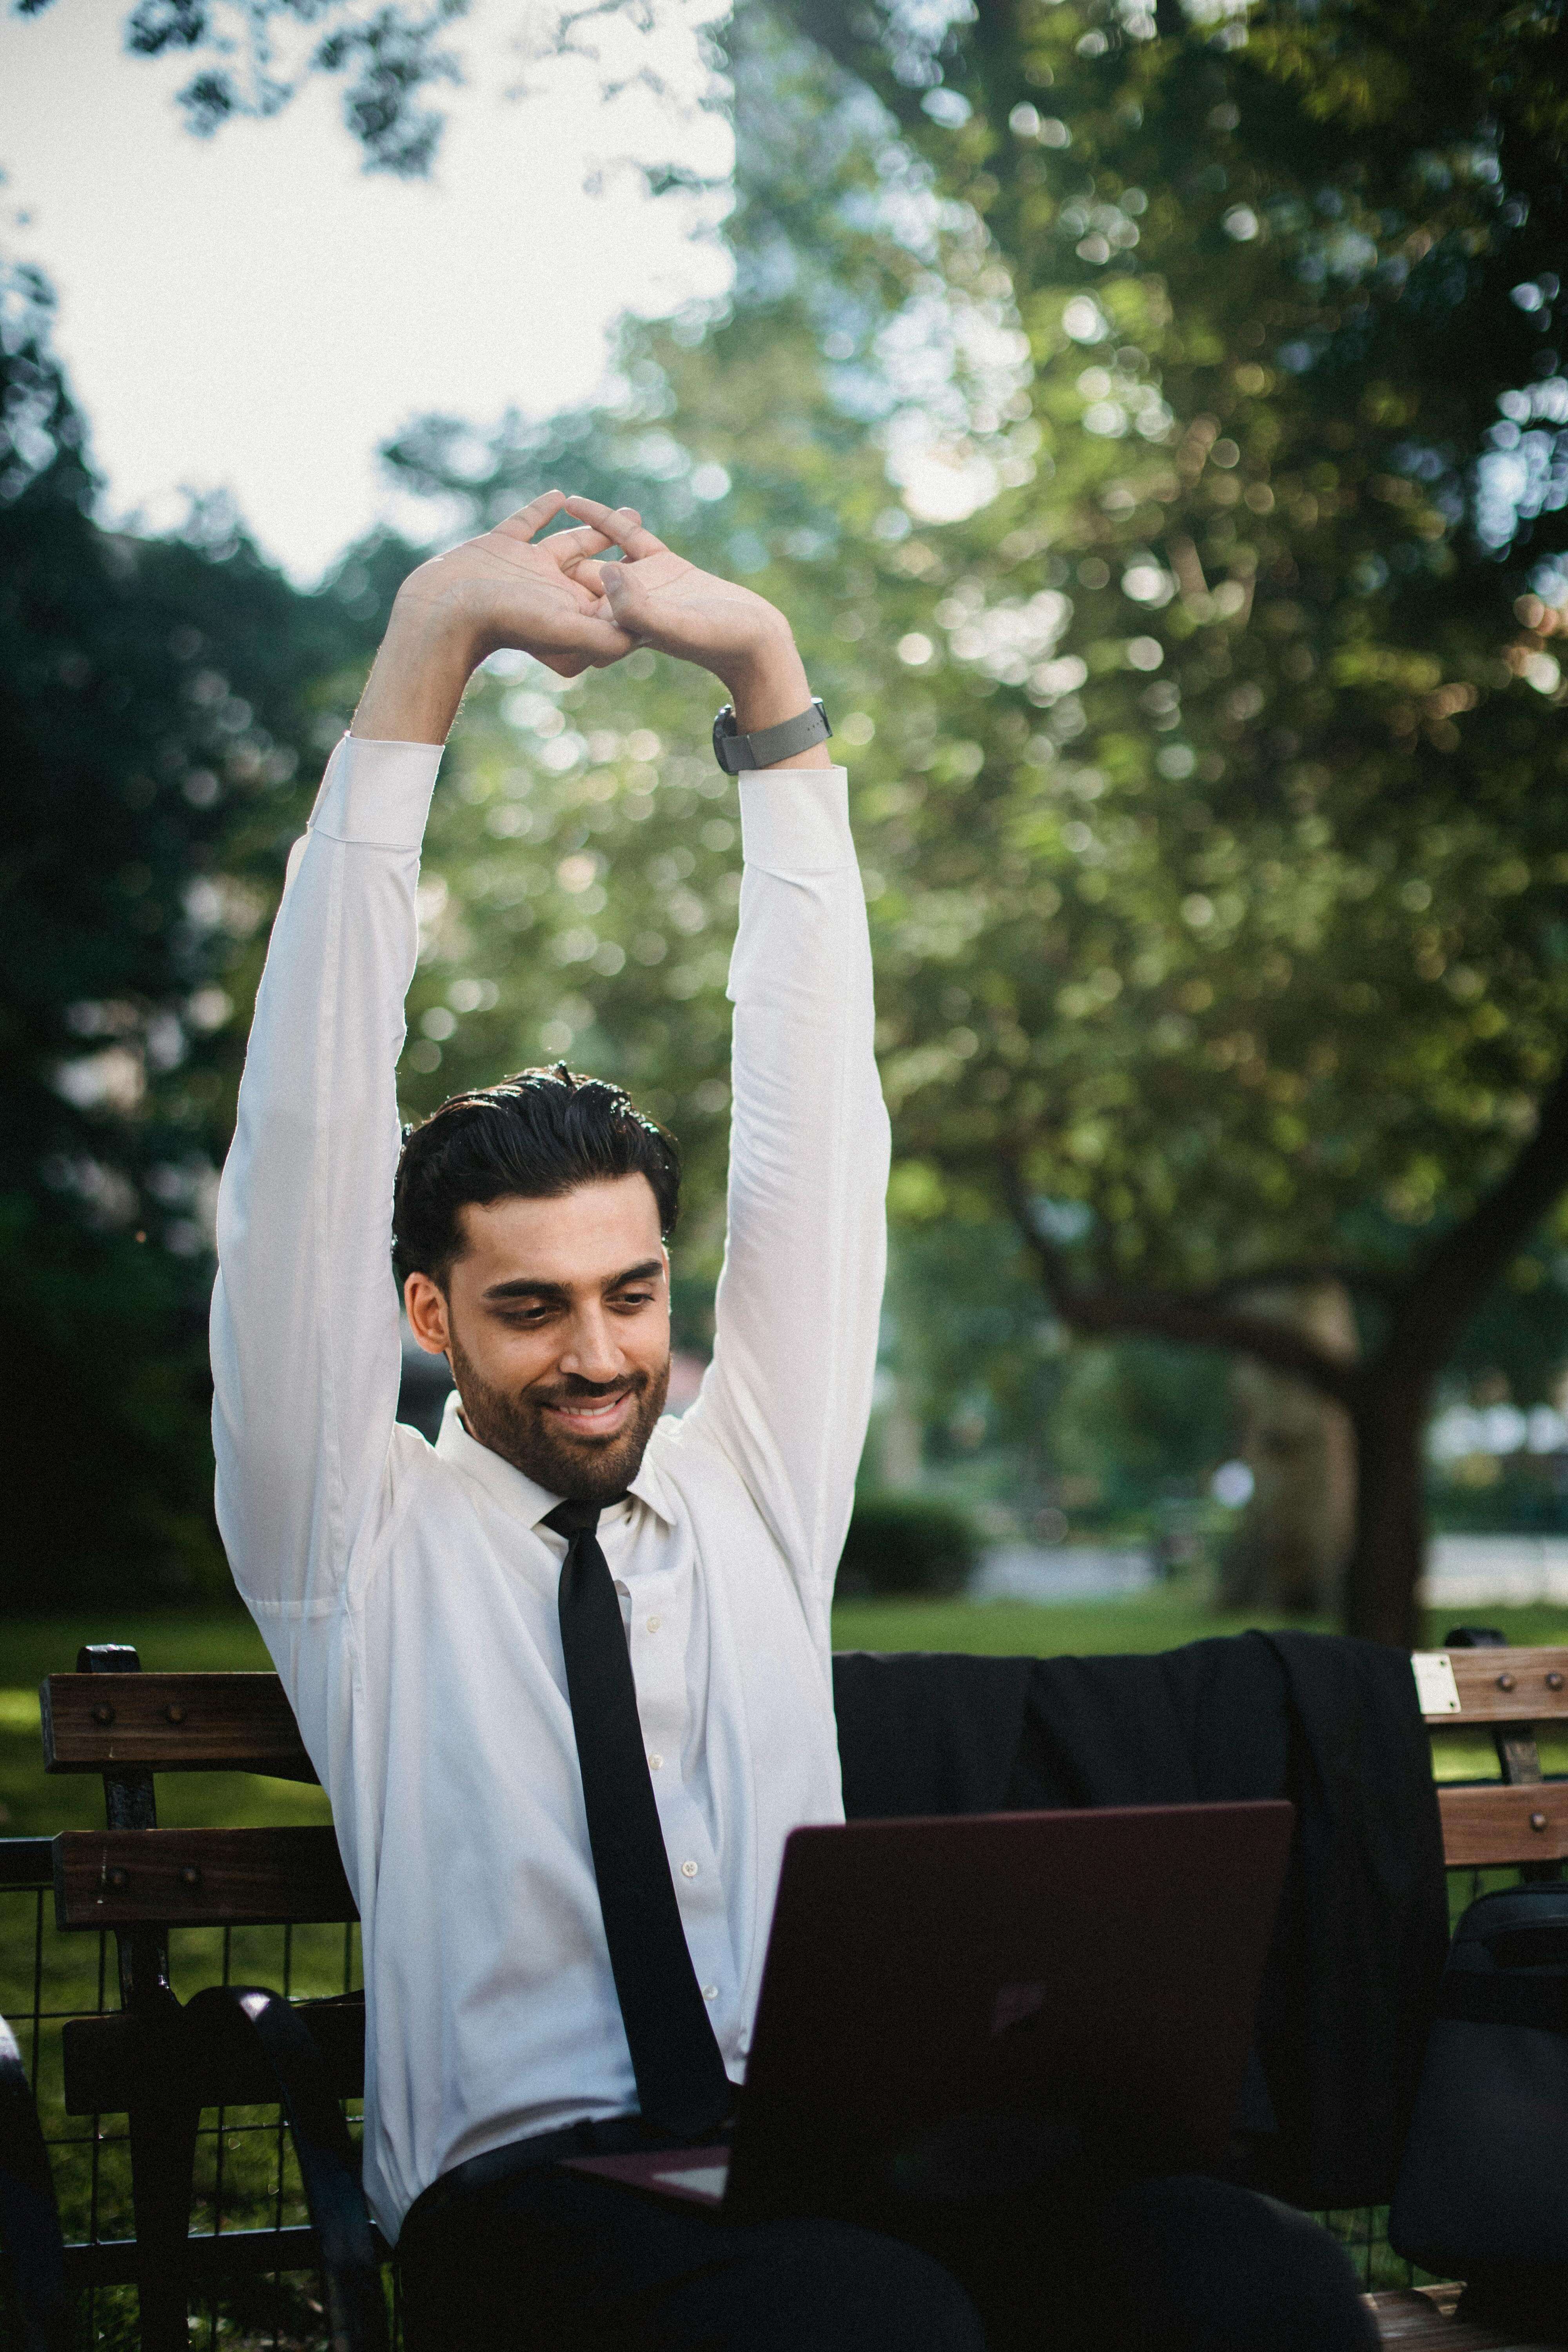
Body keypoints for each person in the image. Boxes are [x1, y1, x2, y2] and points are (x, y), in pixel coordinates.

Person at [212, 491, 1377, 2350]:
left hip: (833, 2158)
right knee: (857, 2323)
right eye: (530, 1310)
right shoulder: (349, 1542)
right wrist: (429, 650)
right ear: (425, 1317)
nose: (599, 1353)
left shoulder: (748, 1483)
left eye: (633, 1292)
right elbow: (306, 1139)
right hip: (536, 2208)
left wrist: (767, 681)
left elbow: (819, 1115)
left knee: (1242, 2276)